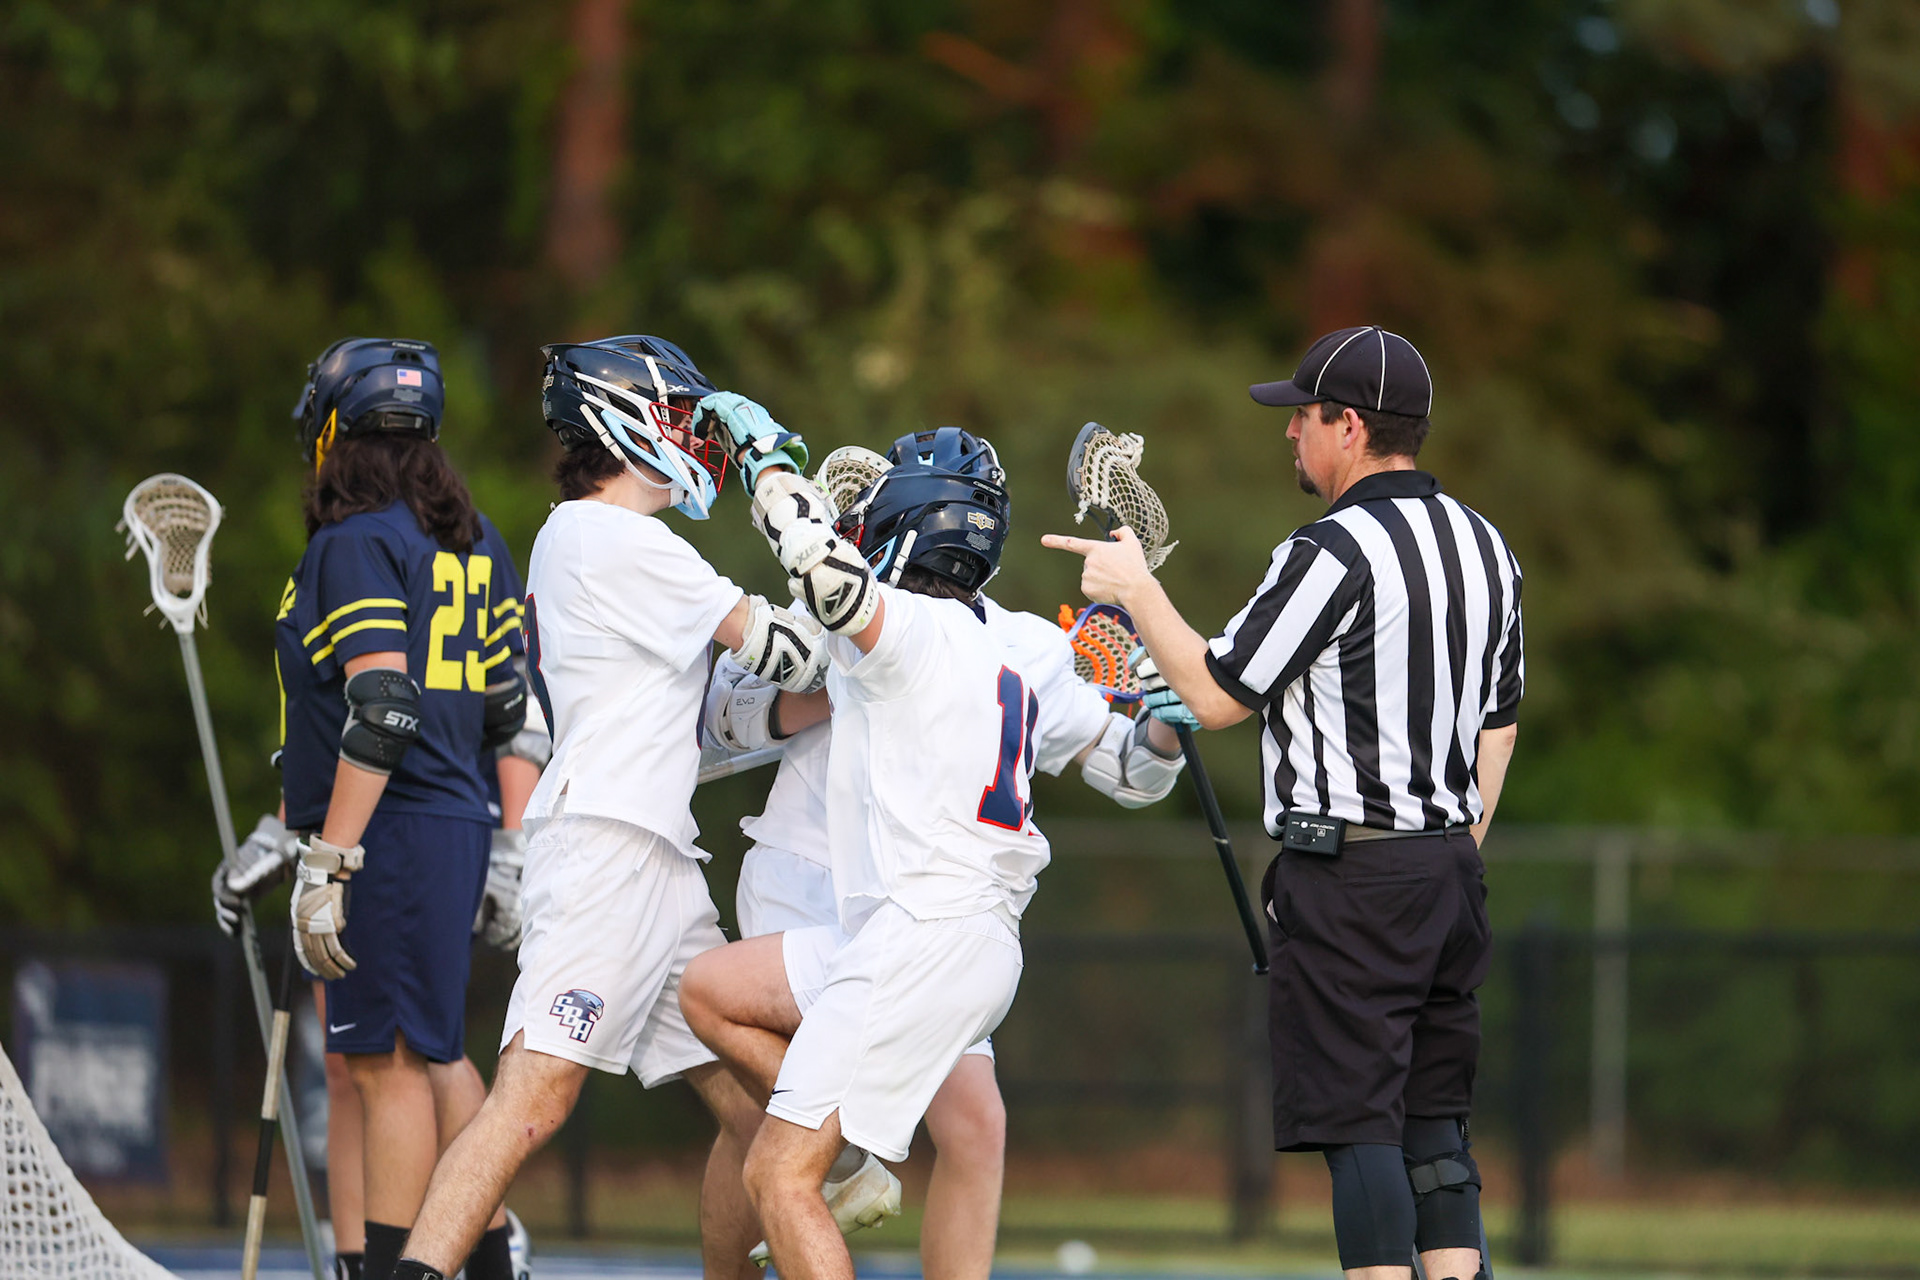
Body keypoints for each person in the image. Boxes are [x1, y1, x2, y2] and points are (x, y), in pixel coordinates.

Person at [1045, 326, 1523, 1280]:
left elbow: (1222, 694)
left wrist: (1138, 591)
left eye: (1301, 418)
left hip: (1351, 879)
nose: (1290, 436)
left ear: (1348, 427)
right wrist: (1451, 847)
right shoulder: (1485, 546)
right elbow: (1498, 724)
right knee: (1435, 1132)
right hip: (1447, 873)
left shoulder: (1331, 549)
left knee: (1362, 1133)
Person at [700, 428, 1189, 1278]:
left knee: (967, 1124)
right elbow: (722, 725)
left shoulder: (1012, 643)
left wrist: (1163, 723)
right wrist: (830, 686)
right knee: (781, 1129)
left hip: (915, 909)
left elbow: (1132, 771)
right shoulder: (879, 622)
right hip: (812, 876)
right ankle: (818, 1191)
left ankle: (836, 1176)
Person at [388, 337, 828, 1280]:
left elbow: (706, 732)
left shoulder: (600, 544)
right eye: (676, 417)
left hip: (657, 858)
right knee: (530, 1104)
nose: (694, 439)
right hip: (605, 853)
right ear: (621, 426)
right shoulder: (613, 536)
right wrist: (786, 493)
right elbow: (790, 650)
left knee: (764, 1117)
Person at [274, 338, 531, 1280]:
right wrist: (509, 846)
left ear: (335, 427)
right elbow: (512, 711)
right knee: (432, 1051)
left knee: (386, 1066)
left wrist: (327, 856)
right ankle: (492, 1263)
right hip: (451, 817)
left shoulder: (354, 540)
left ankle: (395, 1269)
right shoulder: (472, 537)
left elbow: (382, 709)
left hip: (388, 824)